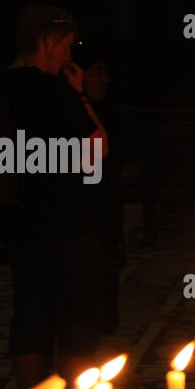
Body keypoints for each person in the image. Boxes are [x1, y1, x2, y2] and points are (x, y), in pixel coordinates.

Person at [0, 3, 109, 389]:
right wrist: (81, 97)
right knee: (75, 321)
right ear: (47, 42)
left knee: (30, 317)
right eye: (66, 46)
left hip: (22, 219)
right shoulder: (51, 90)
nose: (70, 56)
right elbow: (97, 148)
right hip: (66, 220)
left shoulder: (2, 86)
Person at [75, 40, 124, 336]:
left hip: (105, 223)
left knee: (103, 317)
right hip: (79, 227)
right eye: (97, 72)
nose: (105, 79)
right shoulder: (68, 115)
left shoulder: (109, 113)